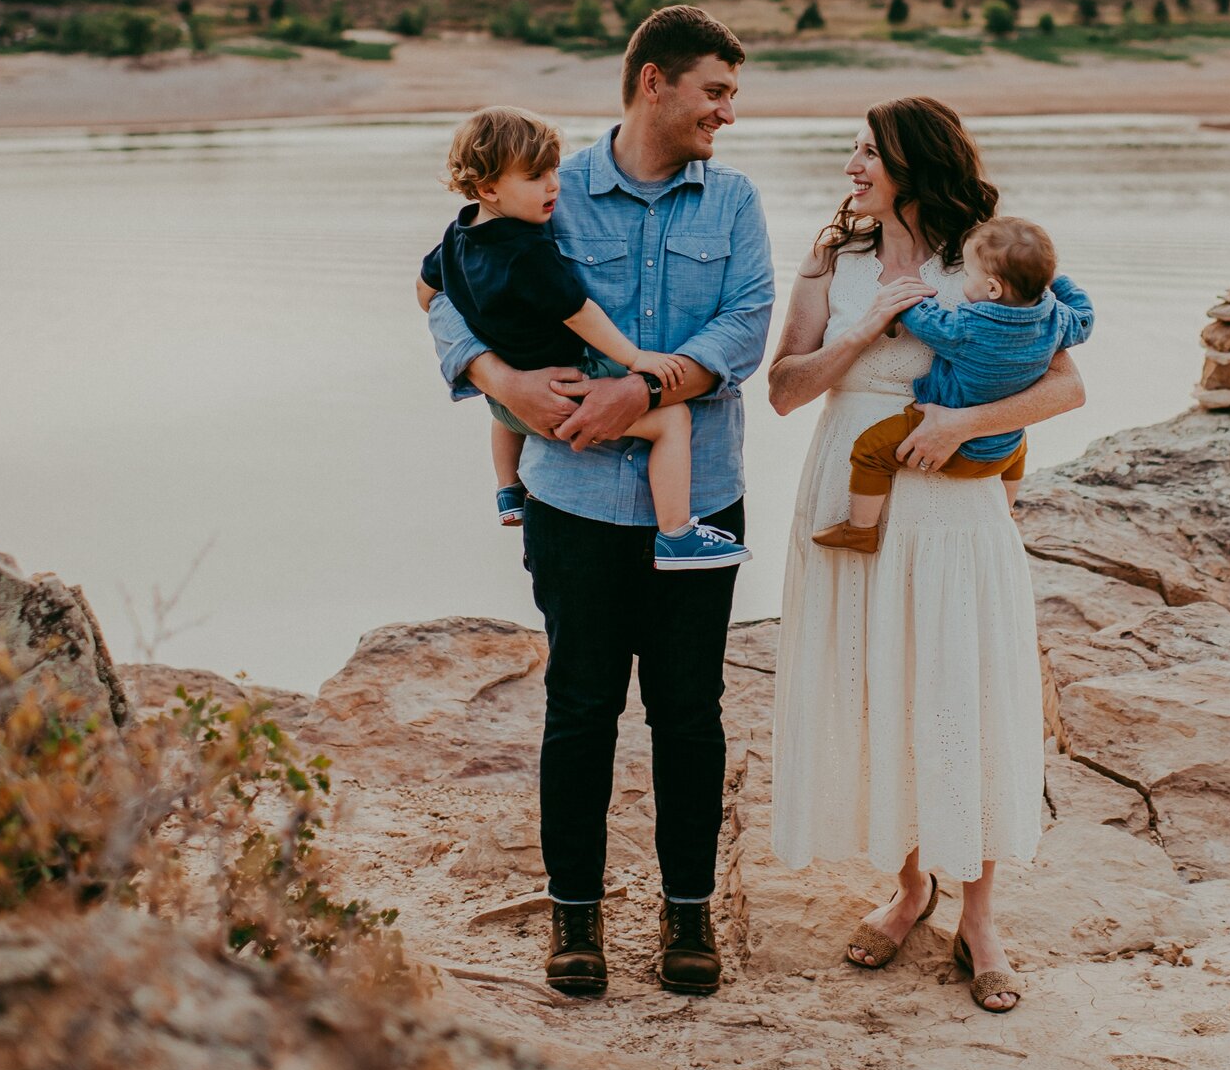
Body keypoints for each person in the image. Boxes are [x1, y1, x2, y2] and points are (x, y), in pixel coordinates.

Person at [424, 6, 773, 999]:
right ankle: (573, 921)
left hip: (697, 498)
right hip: (571, 502)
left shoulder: (734, 200)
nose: (727, 113)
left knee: (688, 714)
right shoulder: (546, 186)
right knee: (579, 710)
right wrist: (503, 380)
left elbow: (747, 321)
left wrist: (649, 389)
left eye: (733, 96)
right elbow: (447, 292)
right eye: (715, 91)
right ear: (653, 82)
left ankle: (686, 918)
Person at [764, 97, 1085, 1015]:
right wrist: (864, 328)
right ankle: (911, 888)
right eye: (853, 151)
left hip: (953, 504)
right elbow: (784, 390)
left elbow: (1066, 382)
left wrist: (962, 423)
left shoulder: (985, 254)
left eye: (868, 152)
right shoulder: (837, 261)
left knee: (962, 692)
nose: (852, 166)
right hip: (849, 492)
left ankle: (979, 915)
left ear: (913, 162)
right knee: (878, 694)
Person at [416, 104, 748, 569]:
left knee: (503, 402)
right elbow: (579, 313)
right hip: (568, 392)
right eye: (535, 176)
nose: (554, 184)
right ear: (489, 187)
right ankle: (676, 534)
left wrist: (497, 361)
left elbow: (427, 290)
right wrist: (637, 360)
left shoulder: (457, 235)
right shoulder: (528, 251)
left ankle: (508, 490)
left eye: (553, 169)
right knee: (672, 422)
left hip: (509, 407)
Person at [810, 215, 1093, 552]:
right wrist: (1056, 281)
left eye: (969, 276)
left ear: (992, 289)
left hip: (956, 444)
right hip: (1002, 451)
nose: (963, 284)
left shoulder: (967, 328)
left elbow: (926, 322)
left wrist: (910, 298)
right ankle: (1007, 510)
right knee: (1020, 442)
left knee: (870, 451)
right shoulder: (1057, 321)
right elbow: (1085, 316)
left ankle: (860, 530)